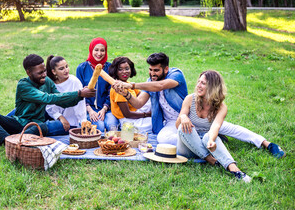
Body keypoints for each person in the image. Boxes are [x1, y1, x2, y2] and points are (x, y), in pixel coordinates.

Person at [113, 52, 285, 159]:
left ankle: (267, 144)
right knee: (163, 139)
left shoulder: (176, 75)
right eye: (150, 70)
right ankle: (205, 140)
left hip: (197, 116)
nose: (152, 74)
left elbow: (160, 86)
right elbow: (138, 102)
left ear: (165, 69)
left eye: (156, 70)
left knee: (233, 129)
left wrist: (132, 85)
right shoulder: (151, 81)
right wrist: (126, 93)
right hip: (175, 124)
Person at [0, 54, 95, 147]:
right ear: (29, 72)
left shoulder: (47, 81)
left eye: (44, 71)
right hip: (18, 123)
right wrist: (78, 93)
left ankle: (5, 140)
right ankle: (7, 141)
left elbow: (62, 101)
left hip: (36, 125)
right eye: (40, 73)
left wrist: (80, 96)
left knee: (40, 127)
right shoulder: (23, 85)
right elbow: (47, 98)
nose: (44, 75)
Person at [176, 70, 251, 182]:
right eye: (198, 82)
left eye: (203, 83)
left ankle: (235, 169)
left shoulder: (221, 107)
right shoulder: (190, 99)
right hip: (187, 147)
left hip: (205, 144)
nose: (198, 86)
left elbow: (215, 126)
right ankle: (210, 159)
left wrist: (211, 140)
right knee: (183, 127)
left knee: (208, 136)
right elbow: (177, 126)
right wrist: (183, 117)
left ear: (213, 87)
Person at [76, 37, 119, 132]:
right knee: (99, 127)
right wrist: (90, 110)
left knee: (112, 127)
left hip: (107, 108)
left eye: (102, 50)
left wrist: (104, 109)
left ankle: (112, 146)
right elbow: (79, 92)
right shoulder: (81, 68)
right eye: (96, 50)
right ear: (91, 50)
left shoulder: (110, 68)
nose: (99, 53)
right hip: (87, 109)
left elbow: (111, 91)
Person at [45, 55, 87, 135]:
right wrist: (61, 117)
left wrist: (83, 124)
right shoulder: (51, 84)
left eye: (66, 66)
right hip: (56, 117)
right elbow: (50, 106)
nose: (66, 70)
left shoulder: (74, 81)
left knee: (45, 127)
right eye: (61, 68)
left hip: (70, 123)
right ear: (54, 71)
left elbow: (80, 106)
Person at [108, 57, 152, 133]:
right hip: (128, 121)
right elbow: (127, 114)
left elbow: (142, 95)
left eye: (127, 68)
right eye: (120, 69)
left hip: (136, 112)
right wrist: (146, 114)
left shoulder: (127, 84)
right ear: (115, 71)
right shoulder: (118, 89)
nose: (124, 72)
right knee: (152, 124)